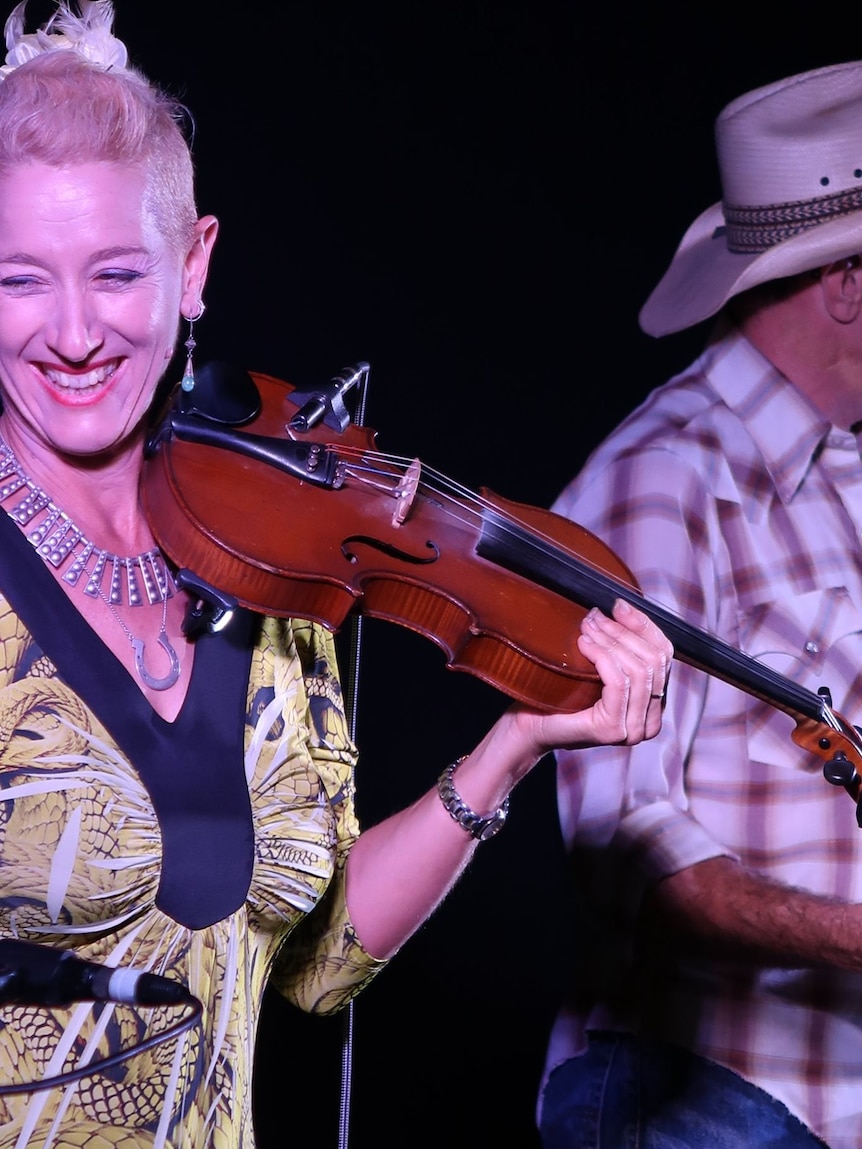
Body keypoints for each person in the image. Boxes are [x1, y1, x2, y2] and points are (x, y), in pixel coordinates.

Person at [0, 3, 673, 1147]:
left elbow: (313, 967)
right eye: (20, 280)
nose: (72, 333)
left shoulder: (270, 561)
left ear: (194, 263)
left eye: (116, 273)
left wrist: (515, 743)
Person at [537, 59, 862, 1149]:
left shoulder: (847, 484)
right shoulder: (661, 476)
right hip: (702, 1101)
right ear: (848, 282)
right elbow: (629, 848)